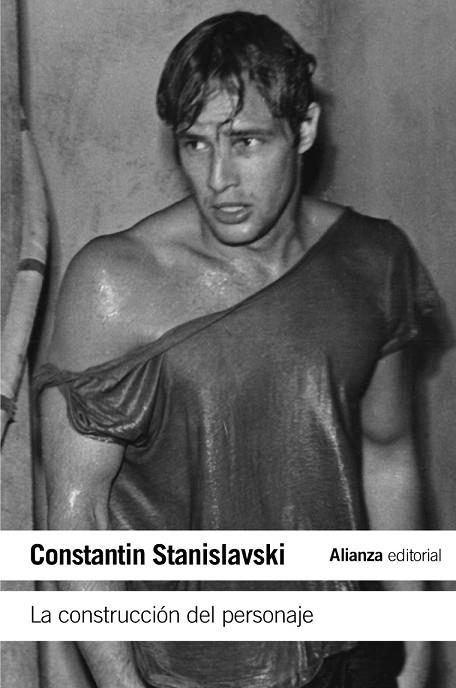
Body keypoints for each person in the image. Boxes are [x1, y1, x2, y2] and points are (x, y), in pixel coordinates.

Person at [36, 11, 437, 688]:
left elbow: (388, 451)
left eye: (246, 141)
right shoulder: (114, 282)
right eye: (195, 144)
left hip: (352, 649)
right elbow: (77, 517)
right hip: (186, 668)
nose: (218, 177)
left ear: (303, 129)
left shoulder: (374, 259)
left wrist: (419, 641)